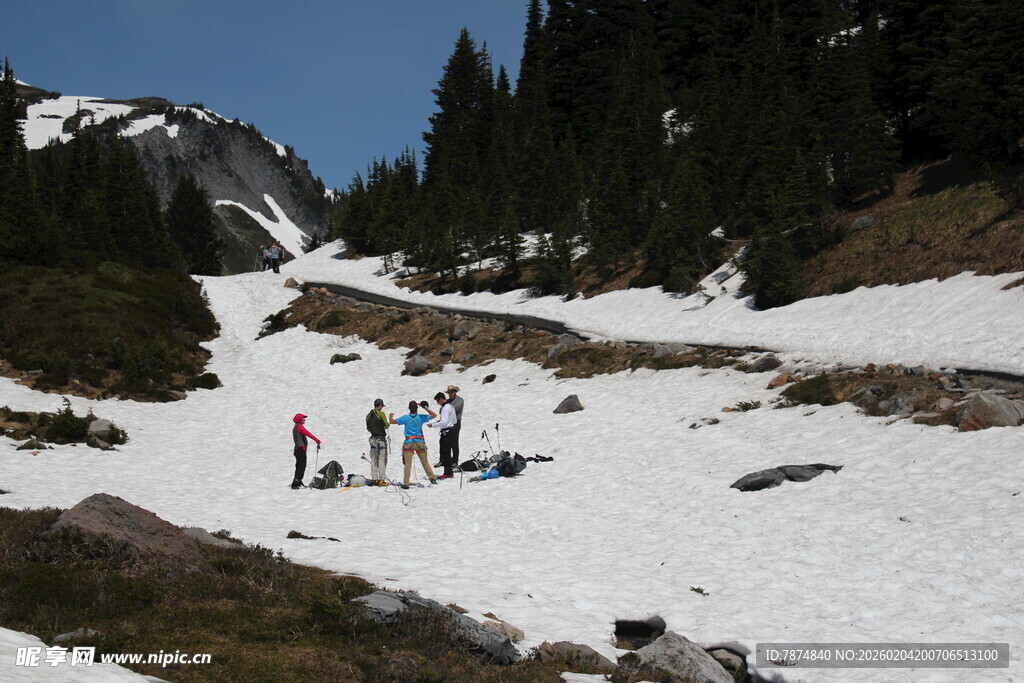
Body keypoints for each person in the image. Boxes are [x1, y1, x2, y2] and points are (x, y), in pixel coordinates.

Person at [390, 400, 437, 489]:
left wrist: (390, 416)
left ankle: (406, 483)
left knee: (408, 464)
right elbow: (434, 415)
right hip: (419, 442)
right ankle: (432, 478)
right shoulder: (421, 417)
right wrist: (425, 408)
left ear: (409, 408)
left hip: (408, 442)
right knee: (425, 462)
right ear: (417, 408)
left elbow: (392, 421)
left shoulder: (405, 418)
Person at [427, 391, 457, 479]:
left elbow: (444, 422)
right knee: (447, 452)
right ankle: (448, 471)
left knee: (445, 453)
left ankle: (448, 472)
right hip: (452, 430)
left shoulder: (445, 408)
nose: (438, 403)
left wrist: (433, 425)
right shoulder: (451, 406)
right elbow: (454, 420)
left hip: (446, 433)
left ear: (441, 399)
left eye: (437, 401)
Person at [291, 413, 321, 489]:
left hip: (298, 450)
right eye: (303, 418)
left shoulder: (297, 426)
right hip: (300, 450)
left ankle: (297, 481)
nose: (304, 420)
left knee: (299, 466)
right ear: (299, 419)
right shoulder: (299, 427)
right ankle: (296, 483)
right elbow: (308, 434)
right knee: (301, 466)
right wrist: (317, 440)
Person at [365, 398, 390, 484]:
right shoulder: (381, 414)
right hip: (380, 439)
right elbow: (386, 425)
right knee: (382, 459)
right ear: (379, 405)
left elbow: (368, 428)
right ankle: (381, 479)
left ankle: (374, 478)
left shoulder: (368, 415)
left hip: (372, 439)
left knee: (373, 459)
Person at [446, 385, 464, 464]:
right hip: (448, 423)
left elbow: (452, 409)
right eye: (449, 392)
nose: (450, 394)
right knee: (447, 441)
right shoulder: (448, 401)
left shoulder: (460, 400)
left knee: (454, 441)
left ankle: (455, 460)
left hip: (456, 422)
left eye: (451, 392)